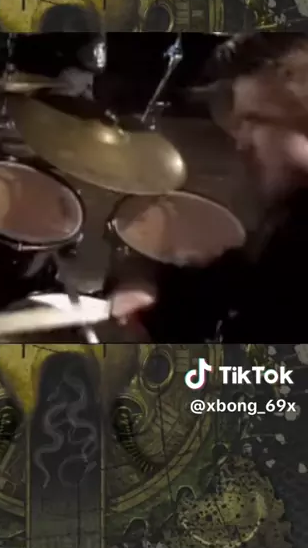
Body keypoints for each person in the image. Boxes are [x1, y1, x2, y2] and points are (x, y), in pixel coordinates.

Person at [110, 32, 308, 342]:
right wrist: (148, 285)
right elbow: (242, 282)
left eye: (254, 121)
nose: (241, 143)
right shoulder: (288, 219)